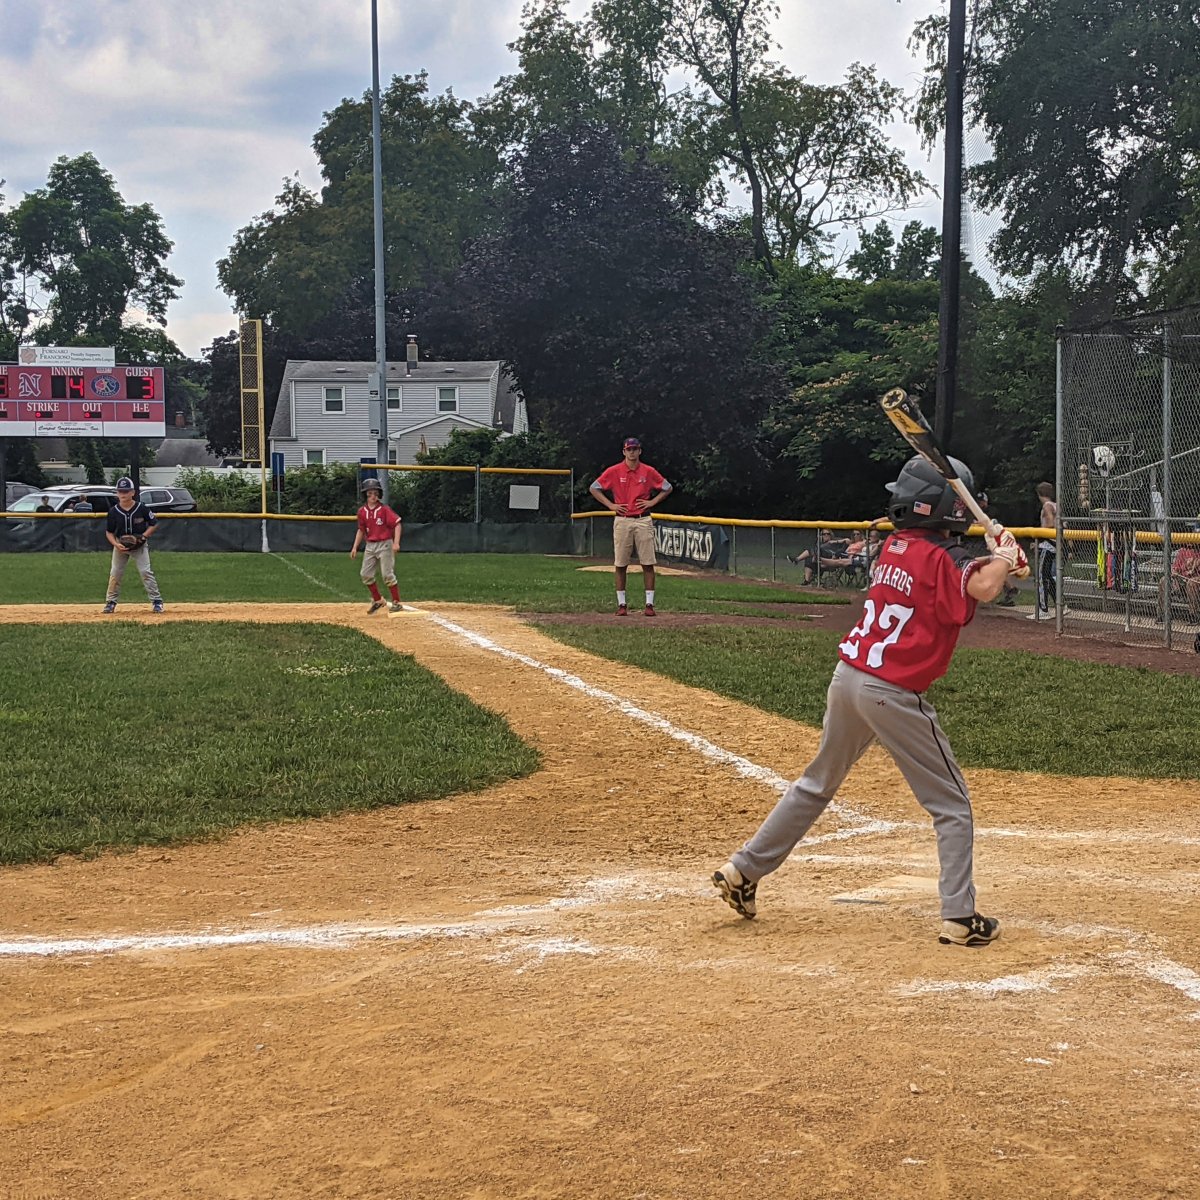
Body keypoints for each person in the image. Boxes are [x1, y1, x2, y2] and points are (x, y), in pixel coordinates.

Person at [712, 454, 1027, 947]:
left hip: (848, 680)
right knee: (952, 805)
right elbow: (980, 584)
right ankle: (961, 918)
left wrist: (1003, 563)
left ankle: (744, 870)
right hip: (892, 693)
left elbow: (968, 574)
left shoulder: (895, 546)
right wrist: (1004, 557)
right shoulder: (949, 559)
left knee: (817, 783)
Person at [589, 437, 673, 616]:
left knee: (648, 562)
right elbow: (594, 487)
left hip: (643, 519)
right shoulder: (615, 471)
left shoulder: (648, 471)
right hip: (623, 518)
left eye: (635, 449)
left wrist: (652, 502)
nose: (632, 452)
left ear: (640, 451)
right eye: (629, 449)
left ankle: (649, 604)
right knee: (620, 563)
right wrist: (611, 505)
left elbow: (667, 487)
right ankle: (622, 604)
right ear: (624, 452)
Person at [103, 477, 164, 614]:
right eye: (120, 491)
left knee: (145, 571)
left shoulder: (141, 507)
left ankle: (157, 601)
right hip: (121, 545)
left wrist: (143, 537)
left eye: (126, 491)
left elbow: (154, 524)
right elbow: (109, 532)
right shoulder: (113, 511)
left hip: (139, 545)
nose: (123, 494)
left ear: (133, 492)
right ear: (117, 493)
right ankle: (110, 602)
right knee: (115, 573)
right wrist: (116, 544)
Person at [350, 477, 403, 614]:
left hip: (385, 544)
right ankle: (378, 600)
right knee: (365, 574)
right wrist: (355, 547)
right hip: (370, 546)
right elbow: (361, 530)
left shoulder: (384, 510)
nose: (373, 496)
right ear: (365, 495)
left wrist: (396, 542)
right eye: (369, 493)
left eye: (375, 493)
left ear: (379, 494)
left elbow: (397, 524)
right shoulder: (362, 512)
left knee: (387, 574)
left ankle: (397, 602)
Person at [1027, 481, 1064, 619]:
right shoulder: (1056, 505)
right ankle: (1061, 605)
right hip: (1054, 544)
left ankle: (1043, 609)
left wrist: (1039, 538)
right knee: (1048, 576)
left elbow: (1049, 522)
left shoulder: (1047, 506)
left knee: (1041, 576)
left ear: (1039, 494)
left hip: (1047, 544)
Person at [1160, 524, 1200, 622]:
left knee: (1191, 583)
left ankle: (1193, 615)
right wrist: (1174, 574)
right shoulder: (1183, 551)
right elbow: (1175, 569)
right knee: (1163, 580)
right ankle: (1163, 614)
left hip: (1195, 580)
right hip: (1181, 580)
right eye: (1194, 534)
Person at [787, 529, 853, 585]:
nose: (826, 535)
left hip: (830, 560)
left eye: (828, 534)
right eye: (824, 534)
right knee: (809, 558)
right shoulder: (820, 543)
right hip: (819, 561)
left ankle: (797, 560)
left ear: (831, 535)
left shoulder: (835, 542)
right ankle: (806, 581)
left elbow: (848, 540)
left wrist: (833, 542)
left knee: (816, 550)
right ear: (821, 536)